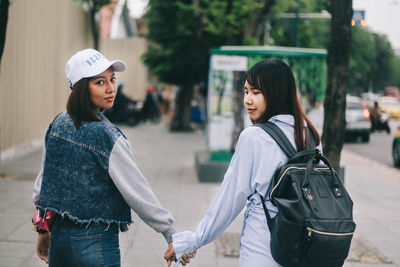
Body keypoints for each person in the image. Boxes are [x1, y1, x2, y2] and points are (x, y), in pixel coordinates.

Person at [31, 48, 187, 267]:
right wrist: (171, 233)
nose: (111, 88)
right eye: (100, 82)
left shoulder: (56, 125)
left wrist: (43, 228)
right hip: (96, 243)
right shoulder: (108, 136)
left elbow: (44, 184)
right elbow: (137, 191)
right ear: (81, 88)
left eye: (112, 79)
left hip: (60, 242)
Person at [164, 60, 321, 266]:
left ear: (276, 93)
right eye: (246, 91)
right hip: (303, 249)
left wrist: (193, 241)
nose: (248, 99)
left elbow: (230, 199)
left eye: (256, 92)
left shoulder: (254, 137)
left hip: (264, 250)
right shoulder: (308, 133)